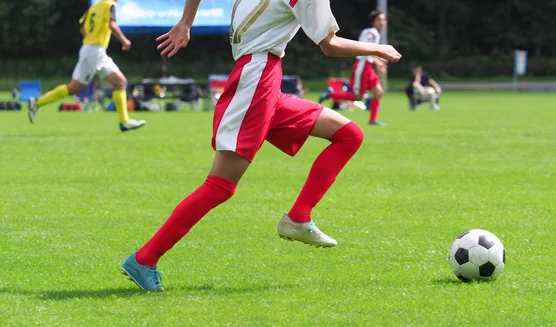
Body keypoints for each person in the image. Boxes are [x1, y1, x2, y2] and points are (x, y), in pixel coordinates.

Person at [121, 0, 401, 291]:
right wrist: (378, 48)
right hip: (257, 79)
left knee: (349, 134)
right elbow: (328, 45)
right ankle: (145, 258)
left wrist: (187, 22)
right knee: (220, 185)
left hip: (265, 79)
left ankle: (298, 218)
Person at [28, 0, 146, 132]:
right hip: (96, 51)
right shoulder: (110, 5)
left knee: (73, 88)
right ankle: (124, 121)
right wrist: (124, 40)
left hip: (87, 49)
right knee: (120, 82)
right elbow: (112, 24)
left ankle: (37, 102)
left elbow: (83, 29)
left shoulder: (94, 7)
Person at [319, 9, 388, 126]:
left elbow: (369, 51)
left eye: (384, 19)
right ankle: (330, 94)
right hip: (362, 66)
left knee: (378, 92)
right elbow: (366, 49)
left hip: (368, 65)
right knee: (358, 97)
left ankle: (373, 120)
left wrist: (377, 60)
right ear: (373, 22)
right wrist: (378, 61)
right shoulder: (372, 33)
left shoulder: (372, 32)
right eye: (379, 19)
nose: (382, 22)